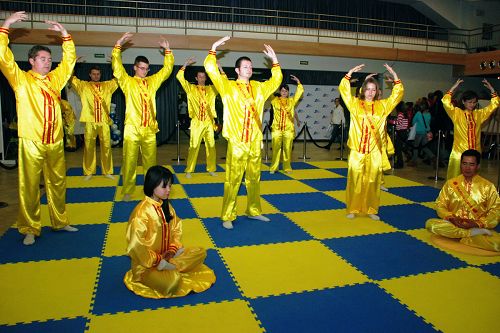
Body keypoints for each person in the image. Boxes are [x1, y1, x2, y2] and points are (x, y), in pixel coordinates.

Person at [0, 11, 78, 245]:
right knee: (30, 186)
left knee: (58, 183)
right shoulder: (21, 80)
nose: (48, 61)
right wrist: (6, 26)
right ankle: (30, 228)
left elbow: (69, 62)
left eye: (48, 58)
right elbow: (4, 58)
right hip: (31, 141)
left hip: (54, 141)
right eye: (43, 58)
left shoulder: (55, 80)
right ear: (32, 61)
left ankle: (60, 221)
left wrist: (66, 36)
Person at [204, 36, 283, 229]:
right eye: (245, 66)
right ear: (237, 70)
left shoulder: (258, 88)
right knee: (233, 179)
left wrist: (275, 61)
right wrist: (213, 48)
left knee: (254, 178)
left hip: (255, 141)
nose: (249, 68)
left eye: (250, 66)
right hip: (238, 141)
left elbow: (276, 81)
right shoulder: (228, 87)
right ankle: (227, 215)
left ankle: (254, 210)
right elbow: (211, 70)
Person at [124, 165, 216, 298]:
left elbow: (176, 228)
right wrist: (158, 261)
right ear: (152, 185)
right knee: (172, 283)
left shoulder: (166, 206)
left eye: (170, 186)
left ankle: (172, 266)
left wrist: (173, 249)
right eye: (164, 187)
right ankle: (169, 269)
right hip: (147, 265)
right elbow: (136, 246)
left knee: (200, 252)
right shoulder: (141, 213)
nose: (168, 190)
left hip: (168, 257)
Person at [112, 32, 174, 201]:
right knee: (130, 162)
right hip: (132, 128)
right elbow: (117, 68)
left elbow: (167, 71)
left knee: (151, 164)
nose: (145, 71)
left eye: (147, 68)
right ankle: (127, 190)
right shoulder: (127, 82)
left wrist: (168, 51)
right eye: (142, 68)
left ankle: (151, 192)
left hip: (149, 129)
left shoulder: (152, 81)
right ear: (134, 67)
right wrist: (118, 46)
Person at [339, 64, 404, 220]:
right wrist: (349, 73)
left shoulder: (383, 106)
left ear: (377, 92)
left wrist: (395, 76)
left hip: (375, 151)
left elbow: (397, 95)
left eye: (373, 90)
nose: (370, 92)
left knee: (373, 181)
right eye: (367, 89)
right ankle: (353, 208)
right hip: (357, 150)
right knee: (355, 179)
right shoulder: (354, 104)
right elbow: (344, 91)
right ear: (362, 90)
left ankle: (371, 209)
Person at [426, 149, 499, 252]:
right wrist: (451, 218)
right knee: (430, 224)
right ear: (460, 165)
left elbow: (496, 211)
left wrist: (477, 223)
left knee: (496, 244)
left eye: (471, 164)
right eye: (464, 164)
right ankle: (469, 235)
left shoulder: (488, 186)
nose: (467, 168)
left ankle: (469, 234)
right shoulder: (451, 183)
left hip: (477, 225)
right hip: (454, 224)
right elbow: (440, 204)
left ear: (478, 166)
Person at [442, 78, 498, 179]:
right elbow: (445, 102)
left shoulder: (479, 114)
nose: (472, 104)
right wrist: (454, 88)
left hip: (475, 153)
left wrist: (492, 89)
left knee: (473, 179)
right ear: (463, 102)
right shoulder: (457, 113)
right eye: (469, 102)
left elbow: (494, 105)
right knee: (455, 179)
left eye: (474, 102)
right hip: (459, 153)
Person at [70, 65, 118, 180]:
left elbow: (118, 78)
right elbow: (71, 78)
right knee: (89, 147)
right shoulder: (83, 86)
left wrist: (115, 63)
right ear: (90, 75)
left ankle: (107, 171)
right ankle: (89, 171)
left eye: (98, 74)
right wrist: (72, 64)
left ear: (100, 75)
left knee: (106, 146)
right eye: (94, 74)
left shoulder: (107, 86)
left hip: (104, 122)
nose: (96, 76)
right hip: (90, 122)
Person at [176, 57, 218, 178]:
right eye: (199, 76)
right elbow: (179, 77)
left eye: (203, 76)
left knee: (211, 146)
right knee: (194, 146)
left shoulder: (211, 89)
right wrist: (185, 64)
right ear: (196, 78)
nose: (202, 78)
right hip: (196, 122)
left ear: (206, 77)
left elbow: (222, 83)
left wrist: (218, 69)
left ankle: (211, 168)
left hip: (209, 122)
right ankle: (189, 169)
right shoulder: (191, 89)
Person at [269, 75, 303, 174]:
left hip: (288, 129)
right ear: (280, 91)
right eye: (282, 90)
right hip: (276, 129)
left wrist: (298, 83)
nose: (284, 92)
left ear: (288, 92)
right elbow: (268, 92)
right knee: (275, 149)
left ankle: (287, 167)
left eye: (286, 91)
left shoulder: (292, 101)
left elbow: (299, 93)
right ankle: (274, 167)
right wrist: (273, 81)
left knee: (287, 149)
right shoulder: (274, 100)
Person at [408, 101, 435, 167]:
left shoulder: (418, 113)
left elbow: (413, 122)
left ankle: (414, 162)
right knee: (424, 146)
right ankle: (433, 157)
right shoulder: (429, 114)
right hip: (425, 132)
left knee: (415, 147)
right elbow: (428, 122)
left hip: (418, 132)